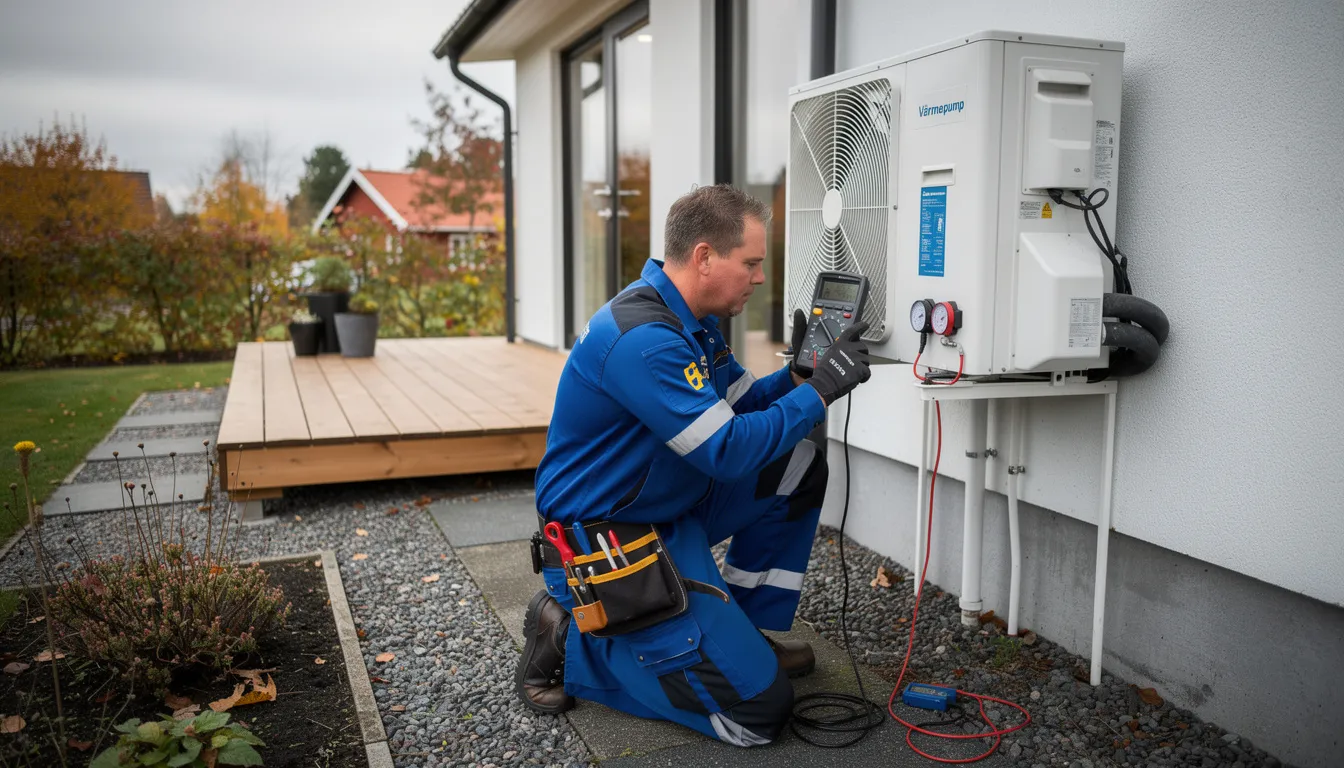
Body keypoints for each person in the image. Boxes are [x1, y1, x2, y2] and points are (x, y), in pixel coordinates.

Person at [516, 184, 873, 746]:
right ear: (705, 257)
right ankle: (568, 633)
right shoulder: (646, 339)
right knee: (755, 717)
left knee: (796, 463)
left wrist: (800, 378)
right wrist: (822, 393)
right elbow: (727, 451)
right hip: (607, 544)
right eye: (751, 263)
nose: (759, 278)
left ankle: (747, 631)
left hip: (667, 509)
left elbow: (740, 408)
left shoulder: (688, 320)